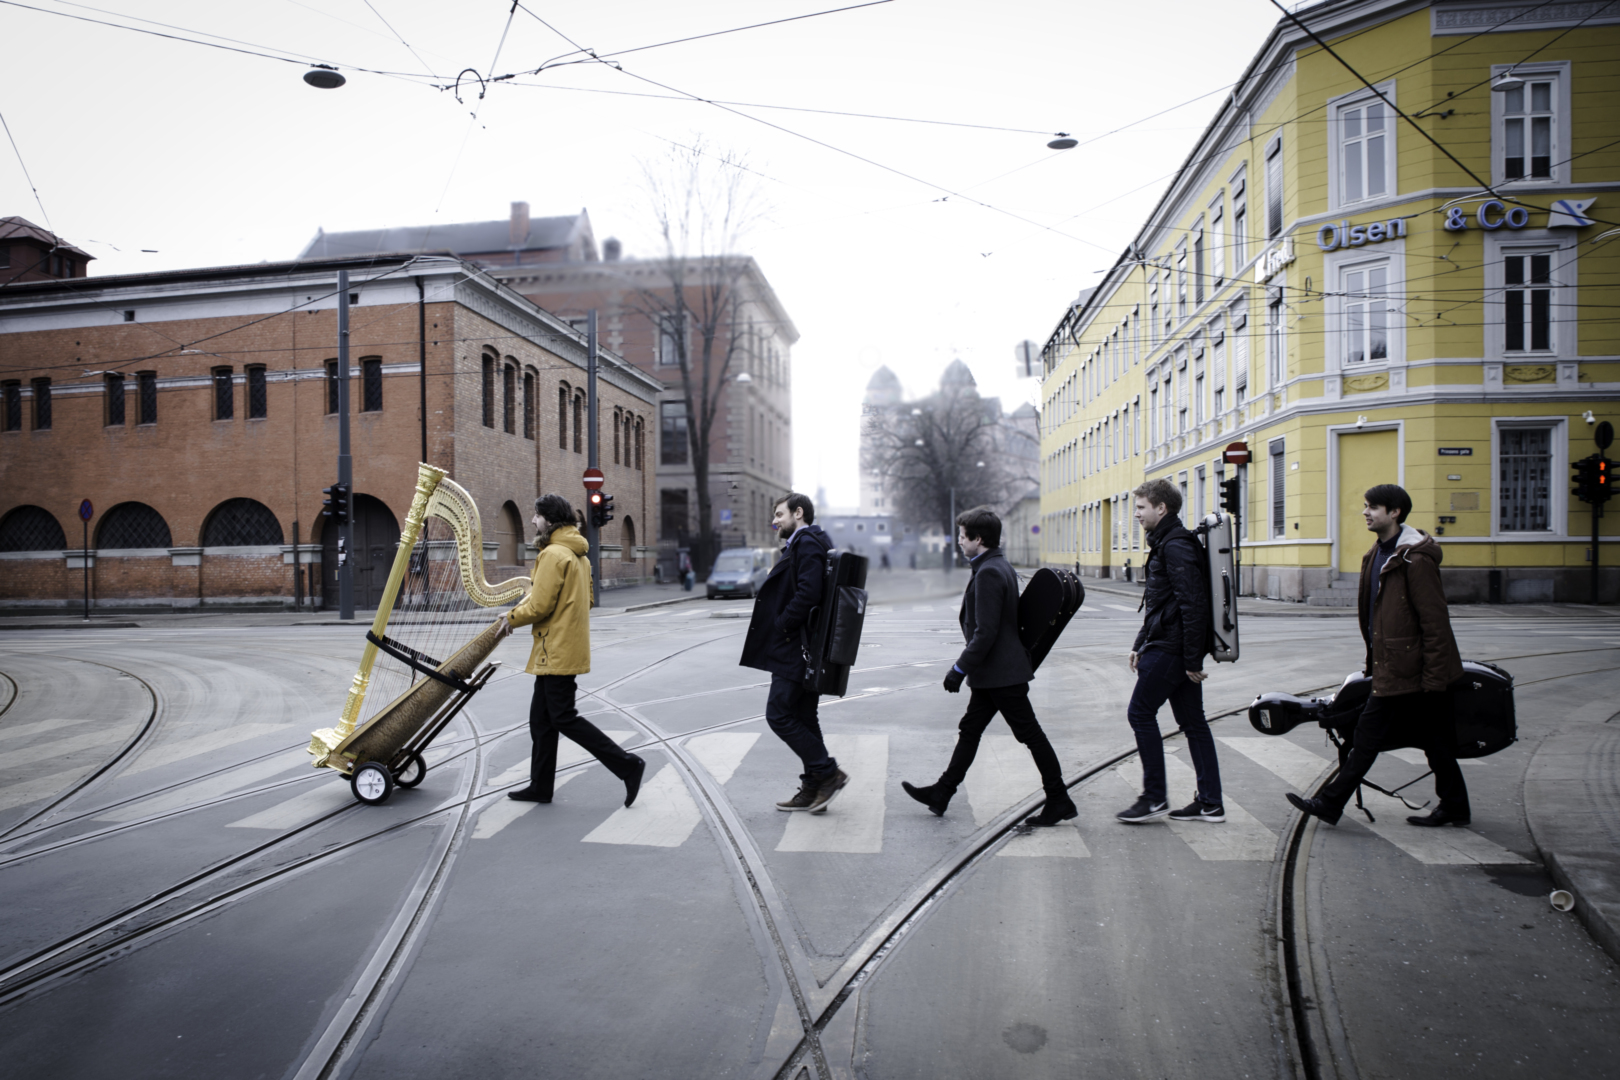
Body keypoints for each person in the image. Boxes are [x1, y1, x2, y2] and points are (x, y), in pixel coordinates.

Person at [1288, 484, 1469, 827]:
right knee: (1435, 742)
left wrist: (1434, 678)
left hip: (1415, 671)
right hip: (1393, 667)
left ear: (1394, 512)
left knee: (1369, 739)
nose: (1365, 512)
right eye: (1366, 506)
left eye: (1372, 507)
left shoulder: (1415, 558)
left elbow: (1435, 622)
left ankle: (1330, 802)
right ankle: (1456, 806)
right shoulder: (1377, 554)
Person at [900, 507, 1077, 827]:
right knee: (970, 731)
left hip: (1001, 674)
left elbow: (987, 631)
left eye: (962, 536)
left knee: (1030, 734)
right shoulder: (997, 564)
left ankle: (1059, 798)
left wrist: (959, 668)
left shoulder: (990, 573)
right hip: (994, 674)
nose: (958, 541)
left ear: (977, 539)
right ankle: (942, 792)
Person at [500, 494, 645, 807]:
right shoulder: (579, 554)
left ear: (549, 520)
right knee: (541, 720)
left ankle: (627, 765)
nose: (533, 521)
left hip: (556, 649)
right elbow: (587, 601)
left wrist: (511, 618)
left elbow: (540, 605)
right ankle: (540, 786)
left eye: (537, 516)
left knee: (564, 718)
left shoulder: (553, 554)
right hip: (565, 646)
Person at [1117, 478, 1225, 824]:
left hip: (1172, 649)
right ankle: (1210, 802)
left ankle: (1154, 797)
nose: (1136, 514)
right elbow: (1162, 603)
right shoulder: (1168, 541)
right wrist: (1139, 643)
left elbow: (1192, 604)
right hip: (1171, 644)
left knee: (1140, 713)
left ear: (1161, 508)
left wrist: (1192, 658)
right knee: (1194, 724)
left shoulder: (1175, 545)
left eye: (1141, 507)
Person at [741, 493, 848, 813]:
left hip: (795, 646)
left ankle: (827, 773)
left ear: (798, 513)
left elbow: (809, 591)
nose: (774, 521)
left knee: (778, 714)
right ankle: (814, 787)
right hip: (802, 645)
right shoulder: (806, 543)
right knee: (802, 716)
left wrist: (783, 624)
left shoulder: (807, 543)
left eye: (779, 514)